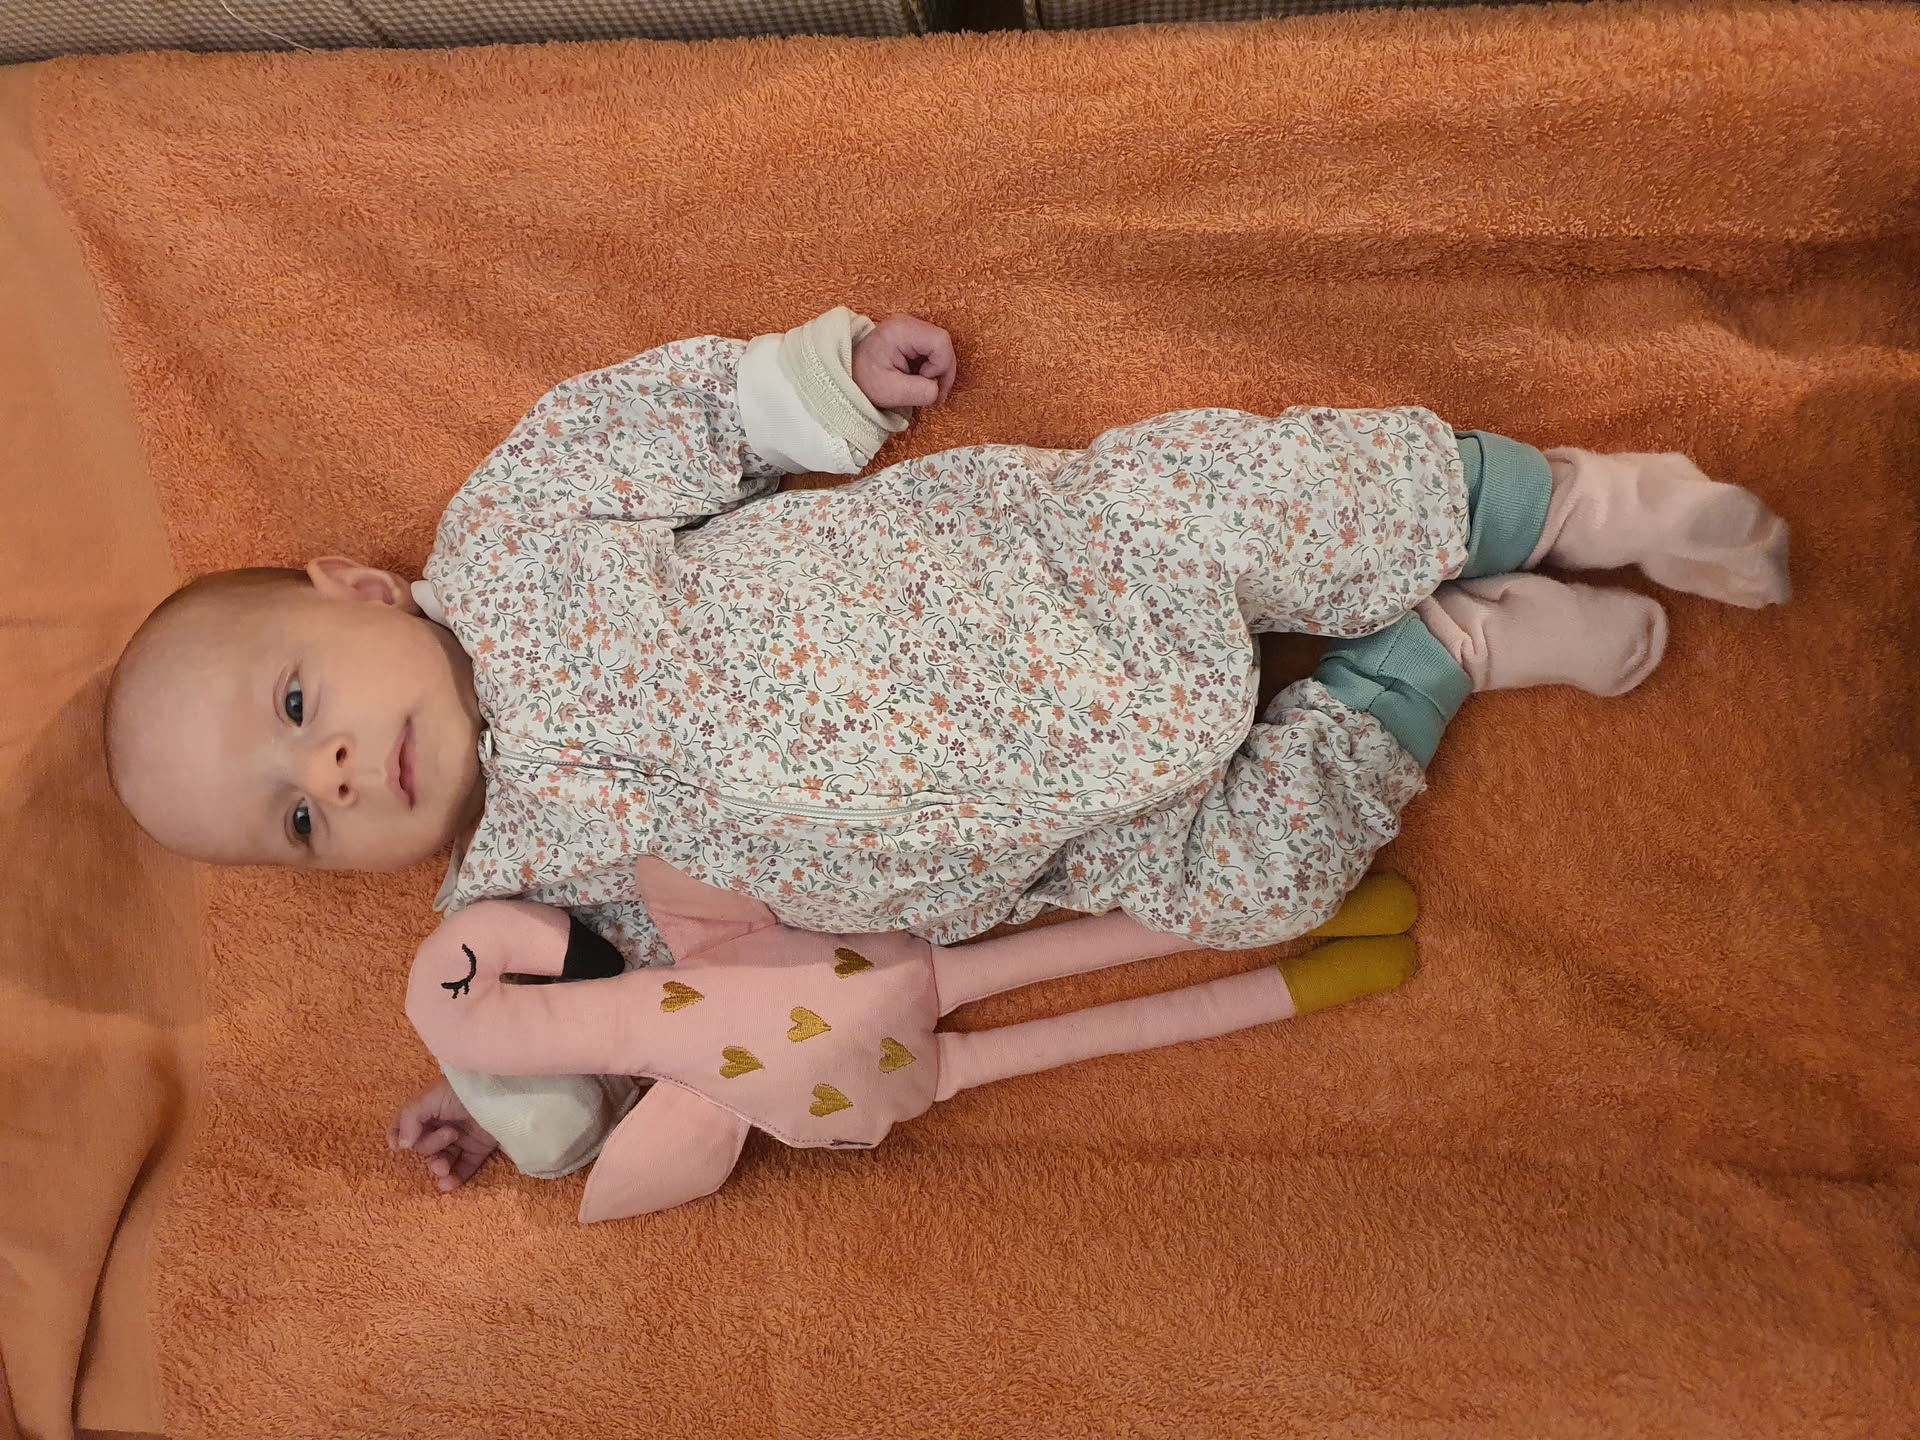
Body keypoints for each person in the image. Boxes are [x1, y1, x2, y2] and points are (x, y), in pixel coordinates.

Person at [103, 307, 1790, 1192]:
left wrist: (823, 378)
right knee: (1261, 884)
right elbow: (634, 1020)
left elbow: (672, 417)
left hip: (1046, 568)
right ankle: (1450, 651)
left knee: (1270, 496)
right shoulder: (511, 898)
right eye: (296, 823)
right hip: (1062, 844)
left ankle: (1570, 503)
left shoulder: (515, 538)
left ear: (357, 589)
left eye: (298, 711)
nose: (330, 778)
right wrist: (504, 1100)